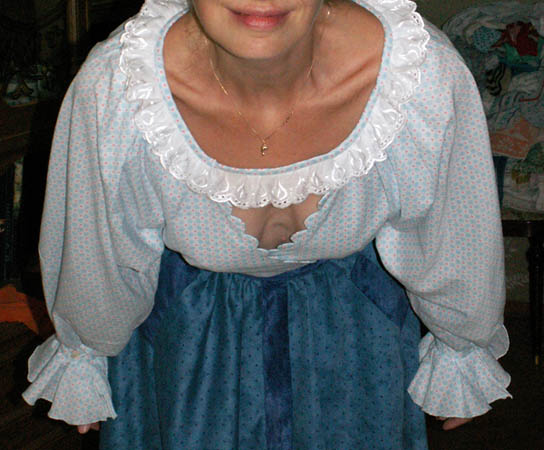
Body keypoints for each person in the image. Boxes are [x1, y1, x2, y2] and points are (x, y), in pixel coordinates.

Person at [22, 0, 511, 448]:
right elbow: (97, 250)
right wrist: (86, 351)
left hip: (356, 342)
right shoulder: (119, 88)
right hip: (188, 342)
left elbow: (455, 237)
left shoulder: (418, 74)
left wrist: (462, 346)